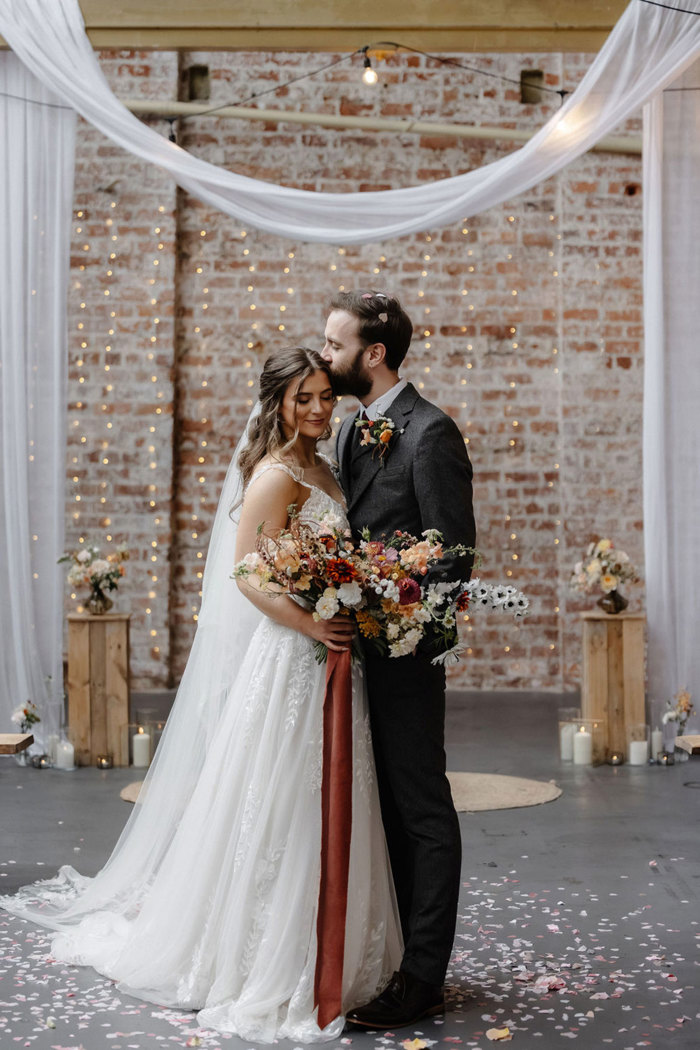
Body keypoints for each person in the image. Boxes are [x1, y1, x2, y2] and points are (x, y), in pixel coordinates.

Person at [0, 347, 402, 1043]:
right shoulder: (277, 476)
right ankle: (265, 957)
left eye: (323, 397)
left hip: (338, 660)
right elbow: (247, 575)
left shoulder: (325, 466)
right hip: (292, 658)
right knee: (281, 800)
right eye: (302, 398)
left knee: (334, 795)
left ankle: (341, 947)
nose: (317, 409)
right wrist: (313, 621)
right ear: (277, 402)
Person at [322, 291, 476, 1029]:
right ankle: (388, 956)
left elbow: (453, 556)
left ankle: (423, 977)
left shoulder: (431, 432)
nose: (327, 356)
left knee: (420, 808)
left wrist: (395, 621)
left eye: (335, 344)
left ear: (373, 354)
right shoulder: (352, 428)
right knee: (377, 808)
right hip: (352, 658)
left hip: (406, 657)